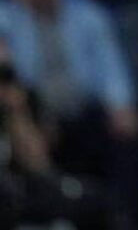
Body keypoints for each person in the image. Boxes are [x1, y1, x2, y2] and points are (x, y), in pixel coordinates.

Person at [0, 0, 138, 229]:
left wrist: (122, 106)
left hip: (85, 115)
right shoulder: (3, 20)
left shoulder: (90, 16)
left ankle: (124, 219)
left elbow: (112, 70)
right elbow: (9, 80)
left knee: (128, 138)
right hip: (30, 112)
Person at [0, 33, 109, 227]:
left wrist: (17, 113)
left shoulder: (25, 97)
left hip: (32, 188)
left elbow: (38, 162)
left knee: (98, 199)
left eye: (7, 72)